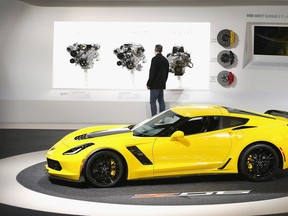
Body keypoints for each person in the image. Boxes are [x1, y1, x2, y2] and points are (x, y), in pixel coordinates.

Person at [146, 44, 170, 116]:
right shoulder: (165, 60)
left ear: (155, 50)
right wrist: (164, 82)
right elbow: (166, 73)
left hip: (154, 85)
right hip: (161, 84)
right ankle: (162, 118)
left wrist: (148, 83)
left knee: (152, 101)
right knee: (161, 100)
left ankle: (153, 119)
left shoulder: (154, 59)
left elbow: (152, 72)